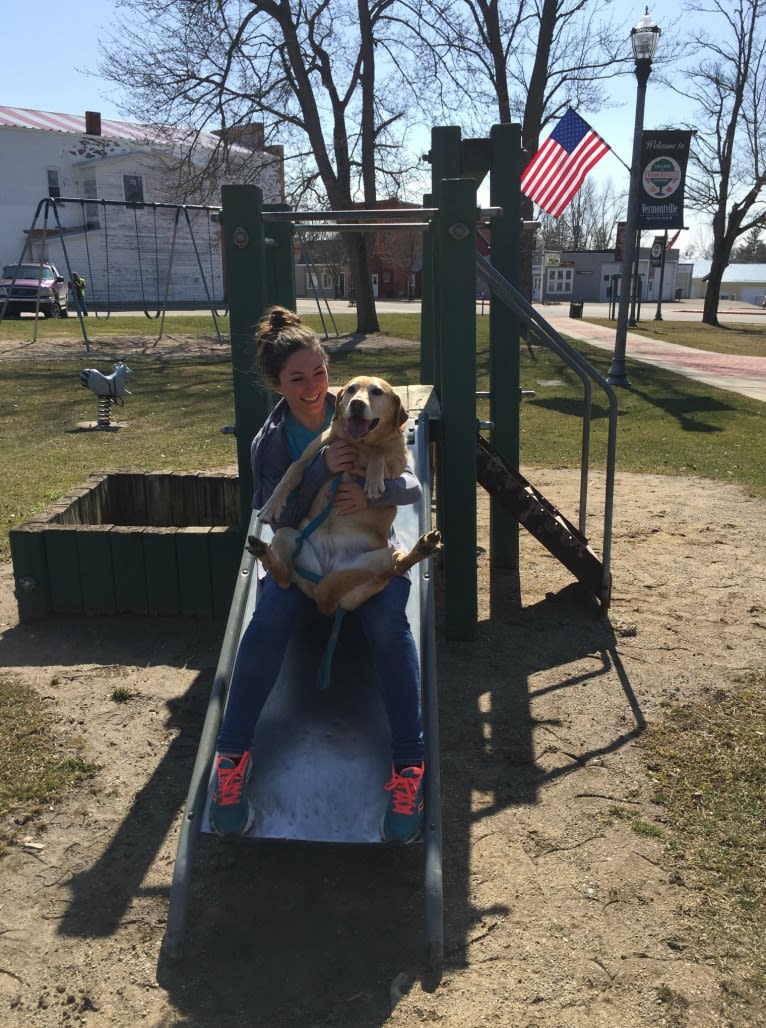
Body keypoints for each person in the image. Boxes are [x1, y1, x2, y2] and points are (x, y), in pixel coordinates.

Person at [209, 305, 426, 843]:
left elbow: (410, 480)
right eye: (297, 379)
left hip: (365, 552)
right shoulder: (270, 443)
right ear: (276, 384)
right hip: (302, 557)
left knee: (387, 628)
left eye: (319, 374)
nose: (313, 388)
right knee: (267, 623)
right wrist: (317, 481)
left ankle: (409, 767)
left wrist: (373, 491)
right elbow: (271, 513)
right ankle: (231, 760)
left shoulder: (360, 406)